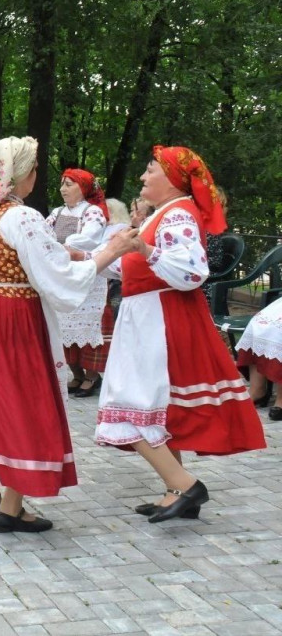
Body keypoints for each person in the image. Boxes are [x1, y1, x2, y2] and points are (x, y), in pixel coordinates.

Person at [0, 137, 138, 534]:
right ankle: (11, 508)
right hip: (8, 317)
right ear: (15, 175)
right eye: (31, 169)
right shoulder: (20, 215)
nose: (35, 176)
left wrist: (71, 254)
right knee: (23, 401)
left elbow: (25, 256)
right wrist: (112, 250)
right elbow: (57, 279)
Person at [92, 146, 265, 523]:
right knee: (156, 407)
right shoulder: (165, 215)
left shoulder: (177, 215)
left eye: (150, 169)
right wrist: (96, 259)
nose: (142, 177)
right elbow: (135, 268)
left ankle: (185, 484)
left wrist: (143, 248)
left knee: (129, 406)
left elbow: (191, 273)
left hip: (160, 319)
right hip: (149, 316)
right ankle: (175, 491)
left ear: (172, 177)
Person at [45, 169, 110, 398]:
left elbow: (89, 238)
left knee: (86, 327)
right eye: (62, 184)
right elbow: (44, 232)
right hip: (64, 275)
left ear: (82, 188)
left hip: (85, 276)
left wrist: (61, 245)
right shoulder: (57, 212)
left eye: (69, 184)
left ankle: (92, 376)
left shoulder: (93, 213)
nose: (63, 188)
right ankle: (77, 374)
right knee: (63, 326)